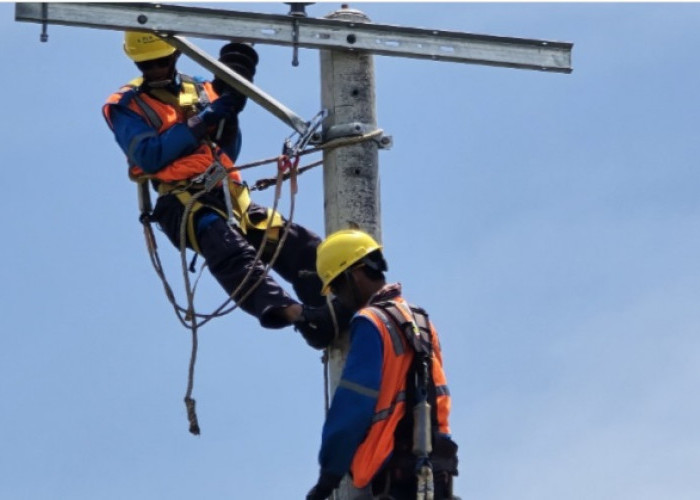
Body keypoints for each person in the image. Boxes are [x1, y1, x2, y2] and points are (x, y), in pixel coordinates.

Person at [102, 31, 347, 335]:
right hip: (182, 202)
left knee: (297, 244)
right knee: (227, 246)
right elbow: (150, 156)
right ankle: (295, 314)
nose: (154, 70)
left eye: (160, 62)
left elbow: (227, 150)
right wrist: (202, 121)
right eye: (146, 65)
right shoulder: (126, 104)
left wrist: (227, 120)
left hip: (228, 193)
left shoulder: (202, 89)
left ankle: (337, 305)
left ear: (176, 55)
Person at [305, 229, 460, 500]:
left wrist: (327, 479)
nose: (340, 299)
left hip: (394, 475)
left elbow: (353, 402)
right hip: (437, 474)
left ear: (354, 274)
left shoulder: (370, 322)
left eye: (338, 288)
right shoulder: (421, 321)